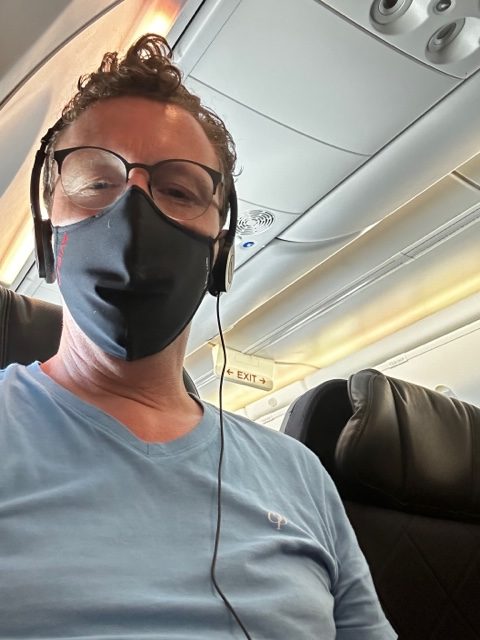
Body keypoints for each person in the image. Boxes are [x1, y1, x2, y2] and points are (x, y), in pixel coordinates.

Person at [0, 34, 397, 639]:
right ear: (48, 232)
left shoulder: (301, 475)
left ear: (219, 254)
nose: (133, 214)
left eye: (178, 191)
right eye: (98, 182)